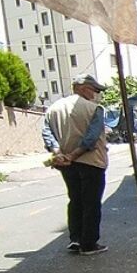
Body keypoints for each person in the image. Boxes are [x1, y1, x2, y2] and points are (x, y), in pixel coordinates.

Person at [41, 74, 109, 256]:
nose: (96, 94)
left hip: (66, 164)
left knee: (75, 200)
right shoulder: (94, 109)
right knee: (91, 203)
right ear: (83, 88)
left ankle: (76, 239)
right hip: (91, 162)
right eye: (95, 90)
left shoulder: (53, 108)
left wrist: (59, 153)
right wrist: (73, 154)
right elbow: (91, 138)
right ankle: (89, 244)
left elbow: (47, 134)